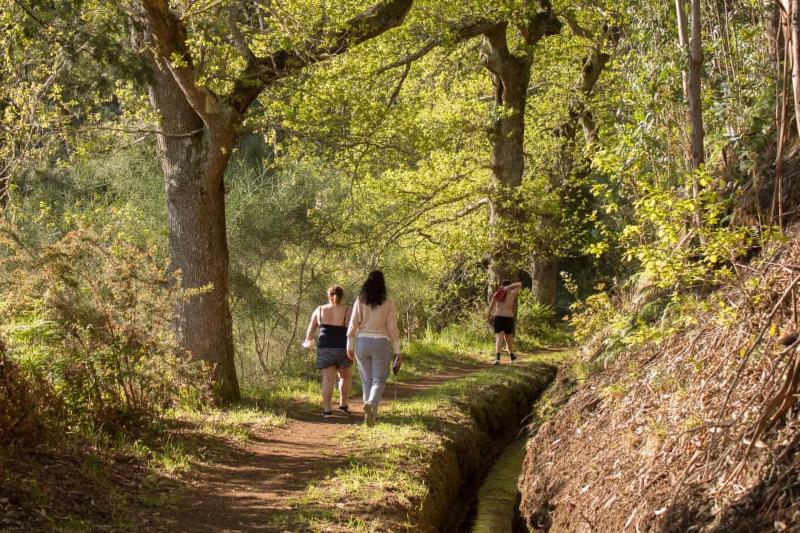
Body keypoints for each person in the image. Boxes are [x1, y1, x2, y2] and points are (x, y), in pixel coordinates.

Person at [347, 270, 402, 427]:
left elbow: (353, 324)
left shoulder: (360, 300)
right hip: (380, 343)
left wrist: (349, 345)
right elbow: (392, 327)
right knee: (379, 379)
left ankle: (371, 415)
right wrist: (397, 351)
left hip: (362, 342)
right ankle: (371, 405)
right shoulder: (387, 302)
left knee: (367, 380)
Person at [303, 285, 353, 418]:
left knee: (328, 379)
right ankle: (343, 405)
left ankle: (327, 410)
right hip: (343, 348)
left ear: (328, 296)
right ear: (342, 296)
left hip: (324, 348)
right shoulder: (348, 310)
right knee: (345, 377)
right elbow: (352, 331)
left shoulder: (319, 309)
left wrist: (308, 342)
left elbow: (310, 330)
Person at [487, 280, 523, 365]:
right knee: (508, 339)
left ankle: (498, 359)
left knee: (499, 338)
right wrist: (509, 287)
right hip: (508, 317)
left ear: (502, 286)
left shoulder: (497, 294)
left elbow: (490, 307)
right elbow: (519, 284)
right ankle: (512, 357)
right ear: (509, 286)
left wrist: (488, 316)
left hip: (498, 317)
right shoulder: (512, 293)